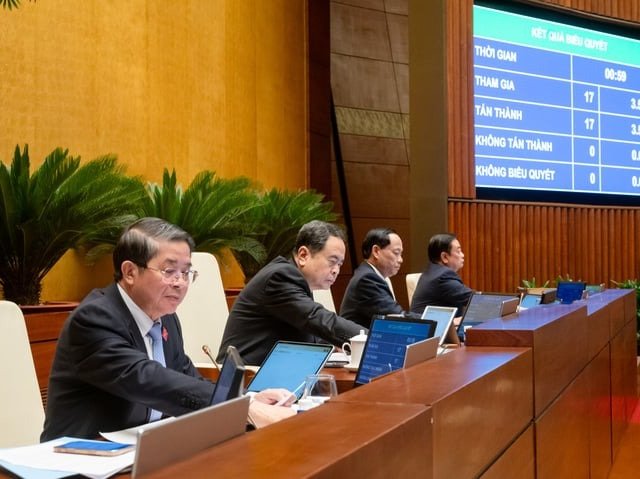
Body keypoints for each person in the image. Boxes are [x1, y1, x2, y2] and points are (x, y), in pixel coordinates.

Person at [41, 218, 294, 441]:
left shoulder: (166, 318)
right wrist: (241, 406)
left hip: (145, 448)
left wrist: (248, 397)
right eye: (169, 271)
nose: (180, 283)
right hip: (81, 457)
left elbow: (185, 375)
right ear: (130, 272)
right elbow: (147, 380)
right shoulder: (94, 319)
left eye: (186, 272)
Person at [217, 220, 365, 365]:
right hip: (245, 375)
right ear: (303, 255)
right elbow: (318, 319)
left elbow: (308, 331)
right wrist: (372, 340)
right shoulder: (280, 277)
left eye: (339, 264)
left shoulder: (297, 281)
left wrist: (332, 344)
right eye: (332, 261)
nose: (336, 270)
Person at [339, 228, 404, 328]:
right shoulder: (367, 279)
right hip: (358, 337)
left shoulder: (370, 274)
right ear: (376, 251)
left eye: (401, 254)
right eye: (396, 253)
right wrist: (428, 320)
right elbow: (396, 316)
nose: (401, 260)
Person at [410, 233, 473, 316]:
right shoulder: (443, 277)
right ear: (444, 257)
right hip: (434, 324)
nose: (463, 255)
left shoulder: (432, 272)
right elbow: (474, 300)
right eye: (458, 251)